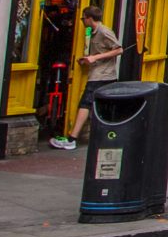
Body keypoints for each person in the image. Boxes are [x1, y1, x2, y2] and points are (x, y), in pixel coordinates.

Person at [55, 16, 128, 150]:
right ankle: (106, 137)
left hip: (102, 76)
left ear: (89, 18)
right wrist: (87, 59)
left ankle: (72, 139)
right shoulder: (93, 32)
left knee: (85, 104)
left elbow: (119, 50)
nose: (81, 21)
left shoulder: (104, 32)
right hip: (99, 74)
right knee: (100, 107)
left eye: (83, 18)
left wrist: (95, 57)